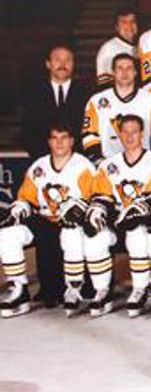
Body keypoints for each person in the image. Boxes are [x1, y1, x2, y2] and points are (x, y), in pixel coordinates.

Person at [3, 121, 109, 316]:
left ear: (72, 141)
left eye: (64, 138)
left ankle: (75, 287)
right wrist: (17, 211)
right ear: (49, 142)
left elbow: (93, 200)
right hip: (44, 221)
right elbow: (25, 199)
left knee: (71, 234)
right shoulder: (39, 167)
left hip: (72, 224)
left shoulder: (83, 167)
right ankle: (19, 289)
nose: (59, 143)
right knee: (8, 234)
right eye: (54, 138)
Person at [89, 114, 151, 318]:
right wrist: (99, 213)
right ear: (119, 134)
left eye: (134, 132)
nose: (129, 137)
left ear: (142, 134)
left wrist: (143, 214)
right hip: (121, 220)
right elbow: (102, 197)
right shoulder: (108, 165)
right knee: (97, 236)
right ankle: (128, 288)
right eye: (125, 132)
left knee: (149, 233)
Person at [81, 53, 151, 163]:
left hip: (144, 164)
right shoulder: (96, 101)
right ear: (113, 72)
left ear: (135, 72)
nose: (124, 73)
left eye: (129, 68)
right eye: (120, 68)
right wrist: (98, 160)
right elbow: (89, 135)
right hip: (108, 164)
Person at [21, 44, 90, 158]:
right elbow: (28, 131)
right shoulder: (33, 94)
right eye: (58, 60)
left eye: (67, 60)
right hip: (43, 159)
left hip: (78, 160)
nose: (62, 65)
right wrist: (46, 160)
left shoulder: (87, 94)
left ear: (73, 64)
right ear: (48, 64)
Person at [95, 9, 138, 89]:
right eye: (124, 22)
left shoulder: (138, 46)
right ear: (117, 27)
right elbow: (104, 82)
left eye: (132, 22)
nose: (129, 26)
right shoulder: (109, 48)